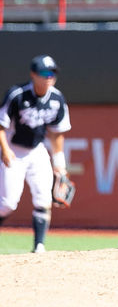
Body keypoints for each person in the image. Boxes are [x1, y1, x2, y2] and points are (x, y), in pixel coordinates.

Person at [0, 55, 71, 253]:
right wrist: (4, 150)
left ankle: (39, 247)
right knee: (7, 204)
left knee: (43, 199)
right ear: (33, 74)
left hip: (37, 151)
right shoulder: (17, 94)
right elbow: (1, 126)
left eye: (53, 73)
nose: (50, 77)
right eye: (45, 73)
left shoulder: (57, 98)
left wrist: (60, 164)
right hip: (14, 150)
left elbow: (57, 134)